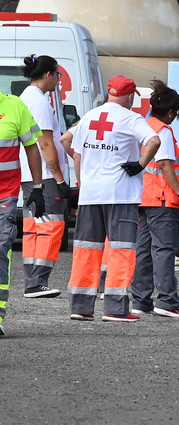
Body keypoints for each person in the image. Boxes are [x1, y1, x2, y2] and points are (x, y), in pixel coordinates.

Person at [63, 75, 160, 322]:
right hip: (120, 194)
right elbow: (154, 140)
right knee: (121, 250)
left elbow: (68, 142)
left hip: (90, 195)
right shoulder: (131, 118)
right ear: (129, 97)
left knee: (86, 250)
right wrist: (140, 165)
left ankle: (81, 307)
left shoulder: (89, 117)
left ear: (109, 93)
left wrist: (84, 179)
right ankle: (116, 308)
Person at [131, 79, 179, 318]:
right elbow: (165, 165)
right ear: (170, 112)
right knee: (164, 250)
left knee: (143, 250)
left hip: (141, 198)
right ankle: (167, 301)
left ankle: (141, 300)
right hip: (163, 199)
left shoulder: (141, 125)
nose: (174, 118)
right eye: (175, 114)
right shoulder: (162, 132)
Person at [18, 54, 70, 298]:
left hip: (30, 174)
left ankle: (33, 281)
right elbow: (45, 143)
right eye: (57, 75)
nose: (58, 81)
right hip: (45, 174)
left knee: (34, 226)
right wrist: (59, 179)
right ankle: (37, 281)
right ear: (48, 74)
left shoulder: (25, 98)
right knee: (52, 225)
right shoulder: (39, 102)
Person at [0, 82, 45, 336]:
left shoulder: (15, 106)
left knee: (1, 247)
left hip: (4, 196)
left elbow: (32, 147)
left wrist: (37, 187)